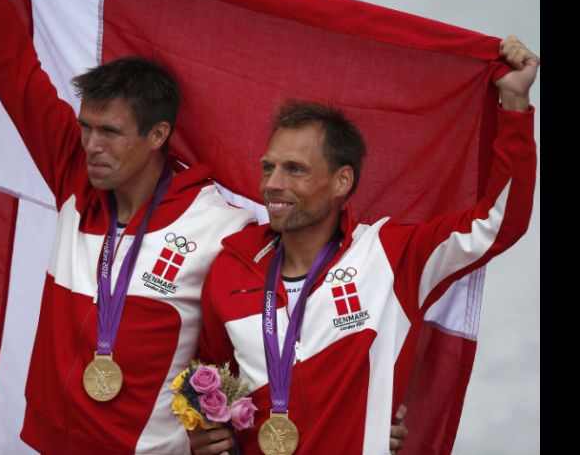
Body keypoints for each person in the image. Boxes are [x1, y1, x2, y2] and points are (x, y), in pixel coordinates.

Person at [0, 0, 413, 452]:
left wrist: (365, 413)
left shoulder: (221, 226)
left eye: (110, 132)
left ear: (157, 135)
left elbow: (287, 328)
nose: (92, 145)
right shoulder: (75, 178)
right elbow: (11, 65)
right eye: (87, 128)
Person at [192, 35, 538, 454]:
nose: (272, 184)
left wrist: (514, 104)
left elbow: (496, 223)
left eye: (295, 169)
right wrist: (203, 437)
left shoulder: (391, 255)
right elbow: (209, 383)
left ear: (342, 181)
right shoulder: (230, 269)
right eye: (269, 167)